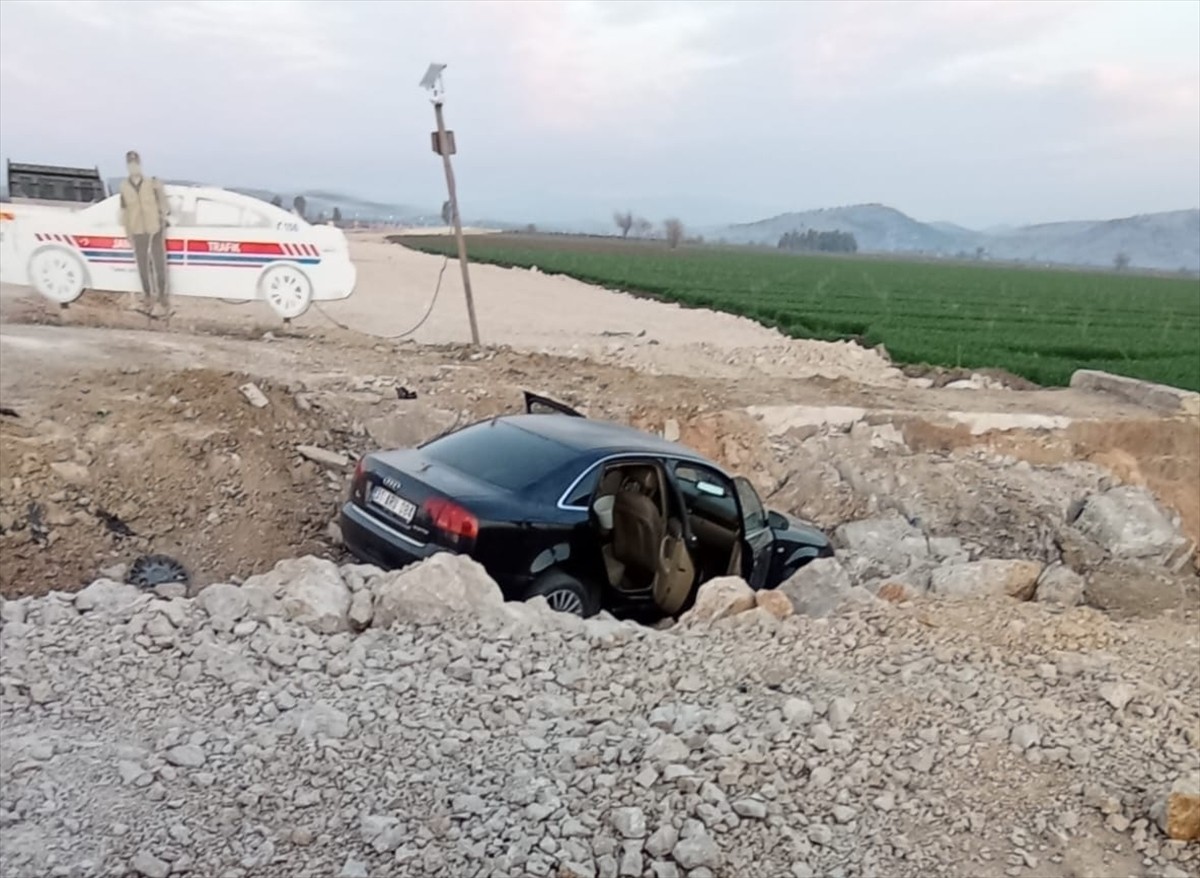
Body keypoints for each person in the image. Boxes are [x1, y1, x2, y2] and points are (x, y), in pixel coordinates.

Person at [119, 150, 170, 316]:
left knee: (159, 264)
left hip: (154, 227)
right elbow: (125, 210)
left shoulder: (151, 183)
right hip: (137, 229)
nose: (133, 166)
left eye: (135, 163)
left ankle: (163, 298)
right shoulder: (124, 186)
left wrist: (163, 216)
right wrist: (128, 232)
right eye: (130, 163)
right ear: (127, 166)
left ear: (140, 164)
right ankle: (148, 296)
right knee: (142, 265)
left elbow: (163, 203)